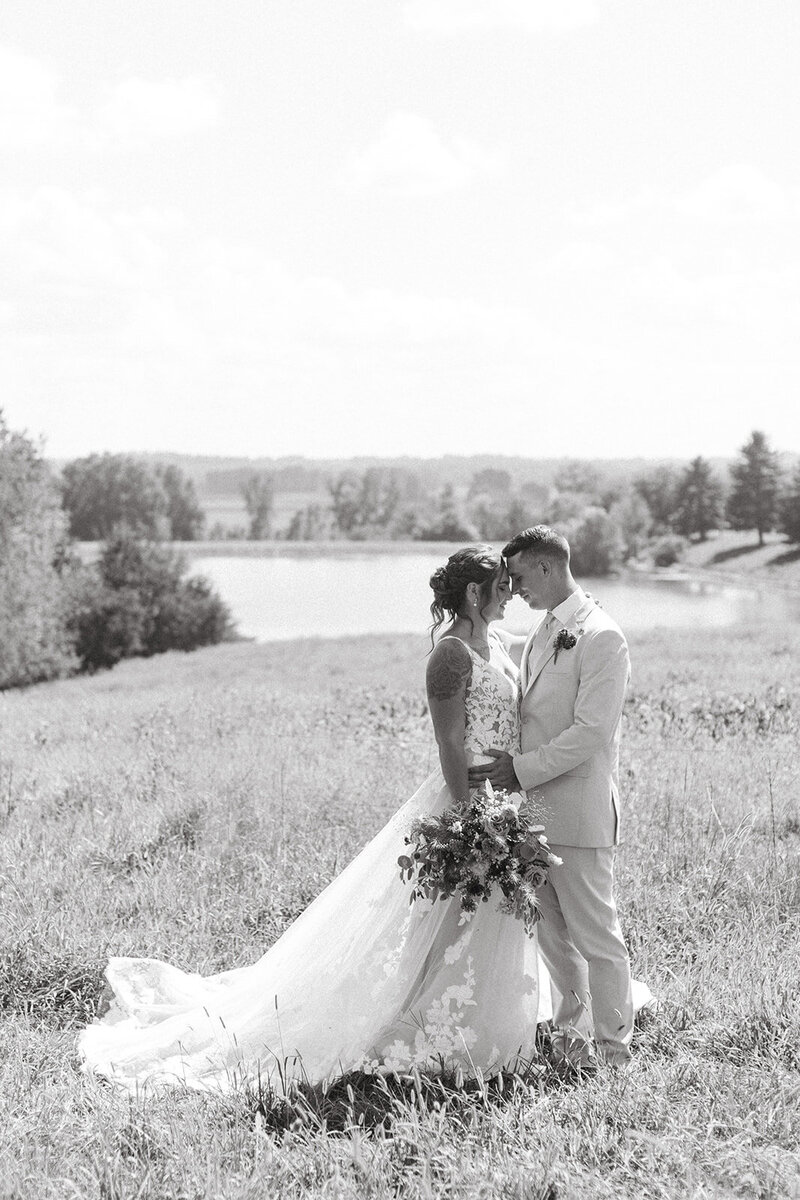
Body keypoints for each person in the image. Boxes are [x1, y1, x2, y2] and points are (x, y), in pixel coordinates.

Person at [79, 545, 545, 1092]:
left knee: (487, 916)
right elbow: (448, 743)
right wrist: (471, 815)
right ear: (474, 593)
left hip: (505, 801)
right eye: (502, 586)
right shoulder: (450, 656)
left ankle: (490, 1011)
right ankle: (431, 1013)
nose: (511, 592)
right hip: (468, 802)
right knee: (443, 918)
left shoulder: (499, 643)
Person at [470, 525, 650, 1067]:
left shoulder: (601, 636)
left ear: (548, 568)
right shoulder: (546, 628)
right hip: (533, 815)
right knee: (552, 937)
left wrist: (518, 772)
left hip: (578, 811)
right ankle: (571, 1041)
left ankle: (614, 1049)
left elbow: (591, 732)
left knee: (598, 938)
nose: (515, 589)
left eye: (521, 577)